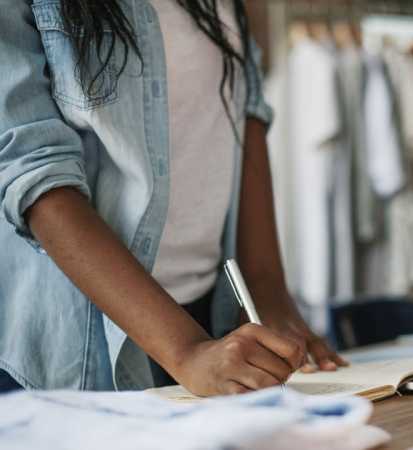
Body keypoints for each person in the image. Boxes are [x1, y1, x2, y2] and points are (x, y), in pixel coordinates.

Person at [0, 0, 346, 396]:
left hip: (208, 321)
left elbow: (246, 109)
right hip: (78, 347)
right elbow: (34, 171)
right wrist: (187, 350)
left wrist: (270, 298)